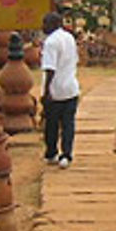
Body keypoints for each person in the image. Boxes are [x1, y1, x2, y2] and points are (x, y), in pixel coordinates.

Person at [40, 11, 80, 169]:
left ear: (53, 24)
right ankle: (67, 155)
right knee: (68, 124)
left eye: (45, 23)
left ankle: (51, 153)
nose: (43, 27)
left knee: (52, 124)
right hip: (71, 88)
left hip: (56, 90)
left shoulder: (51, 42)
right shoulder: (69, 37)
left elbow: (50, 69)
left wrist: (46, 91)